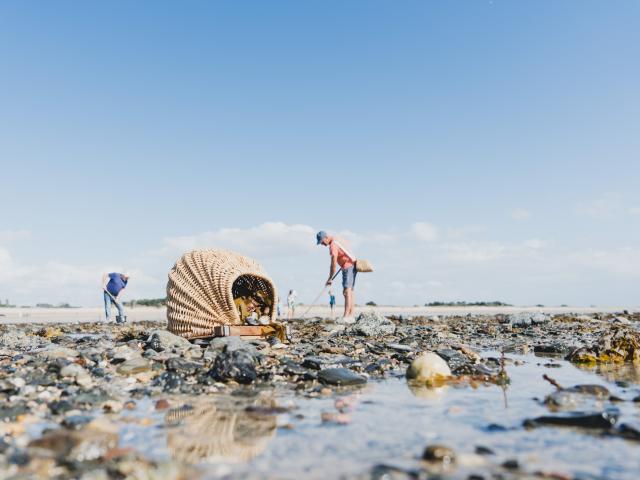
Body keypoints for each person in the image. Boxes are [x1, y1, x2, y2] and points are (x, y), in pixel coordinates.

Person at [316, 230, 356, 321]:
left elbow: (333, 264)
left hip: (348, 266)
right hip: (353, 264)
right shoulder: (338, 238)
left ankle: (346, 316)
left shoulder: (333, 245)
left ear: (326, 237)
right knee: (350, 291)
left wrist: (330, 278)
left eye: (322, 242)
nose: (322, 244)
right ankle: (351, 315)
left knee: (347, 291)